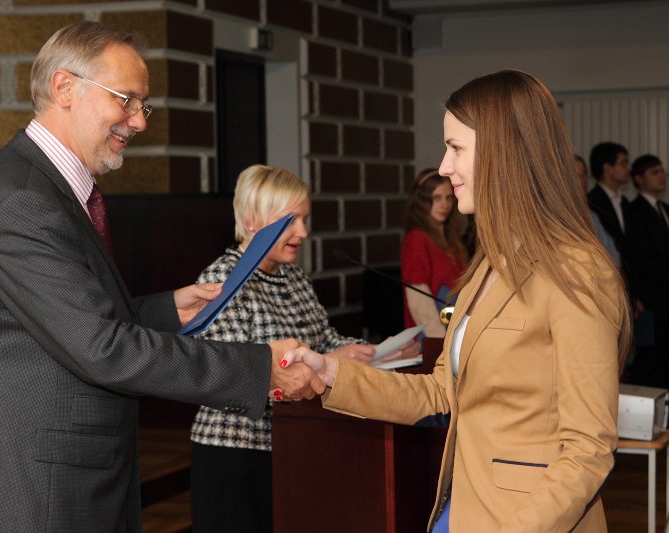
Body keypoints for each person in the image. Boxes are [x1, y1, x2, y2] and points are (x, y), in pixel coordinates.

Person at [0, 22, 320, 533]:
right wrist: (257, 368)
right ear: (65, 88)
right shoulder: (24, 202)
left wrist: (162, 311)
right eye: (126, 100)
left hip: (54, 482)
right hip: (31, 495)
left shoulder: (45, 189)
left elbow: (60, 325)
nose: (138, 121)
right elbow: (103, 349)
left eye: (144, 105)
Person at [283, 70, 632, 533]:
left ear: (503, 154)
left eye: (456, 148)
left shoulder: (578, 272)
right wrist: (333, 376)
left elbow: (588, 450)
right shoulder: (489, 263)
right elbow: (440, 392)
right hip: (462, 507)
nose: (444, 166)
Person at [189, 164, 416, 533]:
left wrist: (377, 352)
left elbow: (325, 341)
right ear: (252, 221)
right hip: (236, 454)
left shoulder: (293, 277)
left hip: (295, 445)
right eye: (291, 221)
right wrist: (325, 362)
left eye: (305, 219)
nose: (304, 232)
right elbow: (224, 377)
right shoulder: (221, 280)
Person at [626, 154, 669, 391]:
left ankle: (667, 414)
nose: (661, 177)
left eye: (661, 171)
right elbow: (643, 259)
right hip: (651, 298)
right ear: (639, 179)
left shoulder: (667, 210)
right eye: (654, 172)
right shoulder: (634, 211)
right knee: (650, 361)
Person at [401, 168, 468, 338]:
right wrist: (441, 344)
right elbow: (419, 304)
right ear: (422, 201)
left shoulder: (452, 240)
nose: (444, 205)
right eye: (436, 198)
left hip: (456, 333)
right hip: (433, 339)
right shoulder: (417, 239)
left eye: (448, 198)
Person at [587, 141, 632, 260]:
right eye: (623, 163)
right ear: (607, 168)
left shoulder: (625, 202)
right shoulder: (591, 201)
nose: (628, 168)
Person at [574, 154, 620, 266]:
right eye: (577, 176)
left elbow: (611, 250)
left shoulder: (591, 215)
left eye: (584, 175)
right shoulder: (552, 213)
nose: (583, 181)